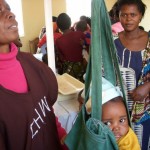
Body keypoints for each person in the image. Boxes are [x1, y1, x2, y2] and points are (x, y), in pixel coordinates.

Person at [0, 0, 68, 149]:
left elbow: (45, 111)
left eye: (9, 9)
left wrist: (62, 137)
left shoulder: (32, 63)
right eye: (0, 11)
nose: (10, 14)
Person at [114, 0, 150, 149]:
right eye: (124, 15)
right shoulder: (113, 43)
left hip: (147, 110)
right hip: (119, 109)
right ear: (119, 16)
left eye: (133, 14)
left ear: (140, 15)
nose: (128, 19)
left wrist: (148, 86)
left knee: (144, 140)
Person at [84, 78, 140, 149]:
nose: (116, 128)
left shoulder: (128, 141)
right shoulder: (92, 136)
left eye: (121, 120)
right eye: (107, 123)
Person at [55, 13, 87, 81]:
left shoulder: (58, 41)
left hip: (69, 72)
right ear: (70, 22)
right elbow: (87, 48)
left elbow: (62, 58)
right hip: (84, 68)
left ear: (58, 26)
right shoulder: (80, 34)